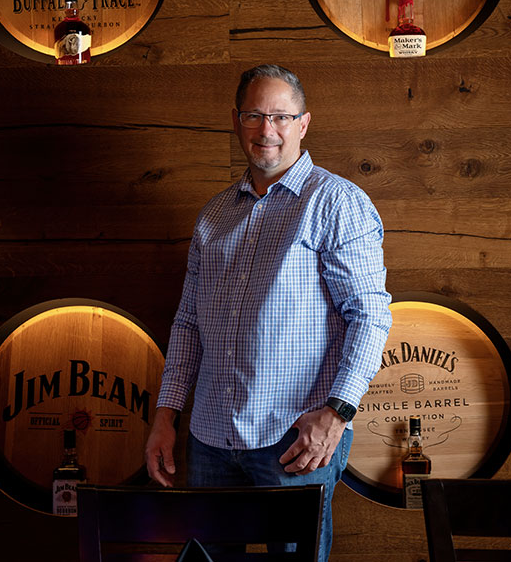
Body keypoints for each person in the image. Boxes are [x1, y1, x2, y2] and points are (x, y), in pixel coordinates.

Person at [144, 64, 392, 562]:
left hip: (295, 436)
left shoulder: (336, 202)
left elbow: (369, 316)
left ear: (303, 124)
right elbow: (188, 323)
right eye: (255, 115)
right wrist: (165, 416)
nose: (266, 129)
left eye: (281, 115)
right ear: (236, 122)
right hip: (211, 437)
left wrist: (337, 414)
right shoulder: (215, 214)